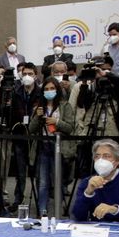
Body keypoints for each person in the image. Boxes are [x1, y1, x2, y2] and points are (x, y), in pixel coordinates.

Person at [29, 77, 75, 215]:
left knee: (58, 181)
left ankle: (58, 211)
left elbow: (70, 127)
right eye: (46, 89)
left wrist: (57, 121)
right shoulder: (39, 107)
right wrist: (37, 117)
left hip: (59, 146)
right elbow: (31, 128)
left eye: (52, 88)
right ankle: (42, 210)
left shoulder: (65, 105)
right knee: (43, 181)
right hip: (43, 146)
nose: (49, 91)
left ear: (57, 89)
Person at [72, 139, 119, 224]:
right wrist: (88, 193)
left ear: (118, 161)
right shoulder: (88, 182)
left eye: (106, 156)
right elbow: (78, 216)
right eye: (97, 156)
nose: (101, 160)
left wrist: (114, 210)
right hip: (98, 231)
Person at [10, 63, 41, 212]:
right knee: (20, 171)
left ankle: (40, 201)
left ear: (35, 75)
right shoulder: (16, 93)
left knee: (38, 171)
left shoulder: (40, 93)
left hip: (36, 137)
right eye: (24, 73)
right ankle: (18, 198)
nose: (27, 76)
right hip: (20, 136)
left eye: (30, 73)